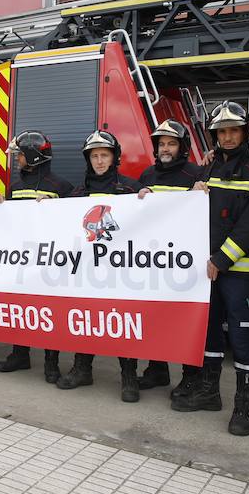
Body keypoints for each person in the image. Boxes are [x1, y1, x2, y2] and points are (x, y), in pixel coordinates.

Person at [168, 102, 249, 439]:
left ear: (245, 132)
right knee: (209, 331)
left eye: (234, 130)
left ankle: (246, 405)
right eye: (221, 131)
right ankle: (210, 392)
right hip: (208, 270)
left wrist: (221, 259)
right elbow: (192, 212)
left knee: (242, 337)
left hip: (239, 271)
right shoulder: (208, 168)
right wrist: (192, 191)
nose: (228, 137)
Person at [56, 131, 144, 401]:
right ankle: (82, 369)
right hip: (87, 271)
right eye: (94, 156)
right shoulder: (78, 192)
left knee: (121, 322)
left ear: (114, 157)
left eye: (104, 155)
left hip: (121, 271)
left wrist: (148, 199)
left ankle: (129, 377)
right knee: (85, 319)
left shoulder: (131, 189)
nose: (99, 161)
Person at [0, 130, 73, 383]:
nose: (16, 160)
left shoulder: (61, 187)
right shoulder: (14, 188)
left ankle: (51, 362)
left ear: (33, 156)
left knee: (48, 313)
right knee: (20, 309)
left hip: (49, 264)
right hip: (20, 262)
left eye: (19, 156)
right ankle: (20, 354)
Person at [136, 120, 202, 396]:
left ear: (182, 147)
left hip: (184, 261)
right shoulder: (147, 174)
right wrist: (139, 197)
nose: (165, 148)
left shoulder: (195, 175)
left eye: (171, 143)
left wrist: (199, 194)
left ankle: (191, 377)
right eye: (161, 143)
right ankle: (157, 369)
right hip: (153, 260)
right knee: (154, 317)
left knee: (185, 321)